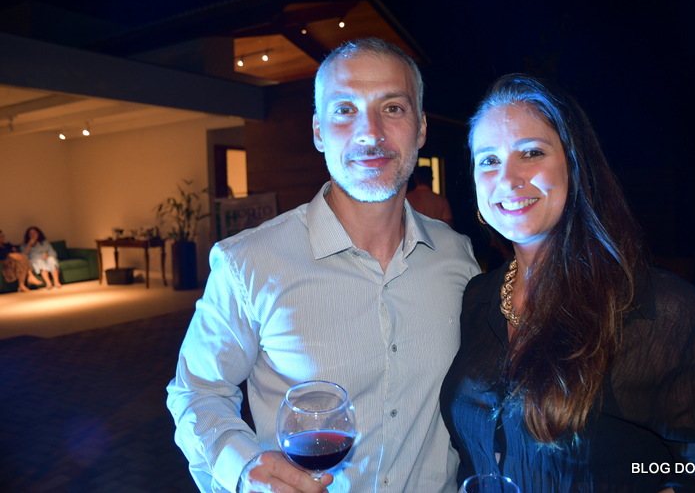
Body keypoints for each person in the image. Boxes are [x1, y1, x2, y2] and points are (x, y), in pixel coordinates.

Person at [167, 38, 480, 493]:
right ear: (318, 132)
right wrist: (245, 467)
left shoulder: (458, 257)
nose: (370, 132)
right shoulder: (248, 263)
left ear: (421, 129)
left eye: (393, 108)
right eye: (345, 110)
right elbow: (197, 391)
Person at [440, 74, 695, 492]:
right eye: (489, 160)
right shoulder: (477, 299)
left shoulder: (667, 315)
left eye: (531, 152)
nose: (508, 178)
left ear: (575, 165)